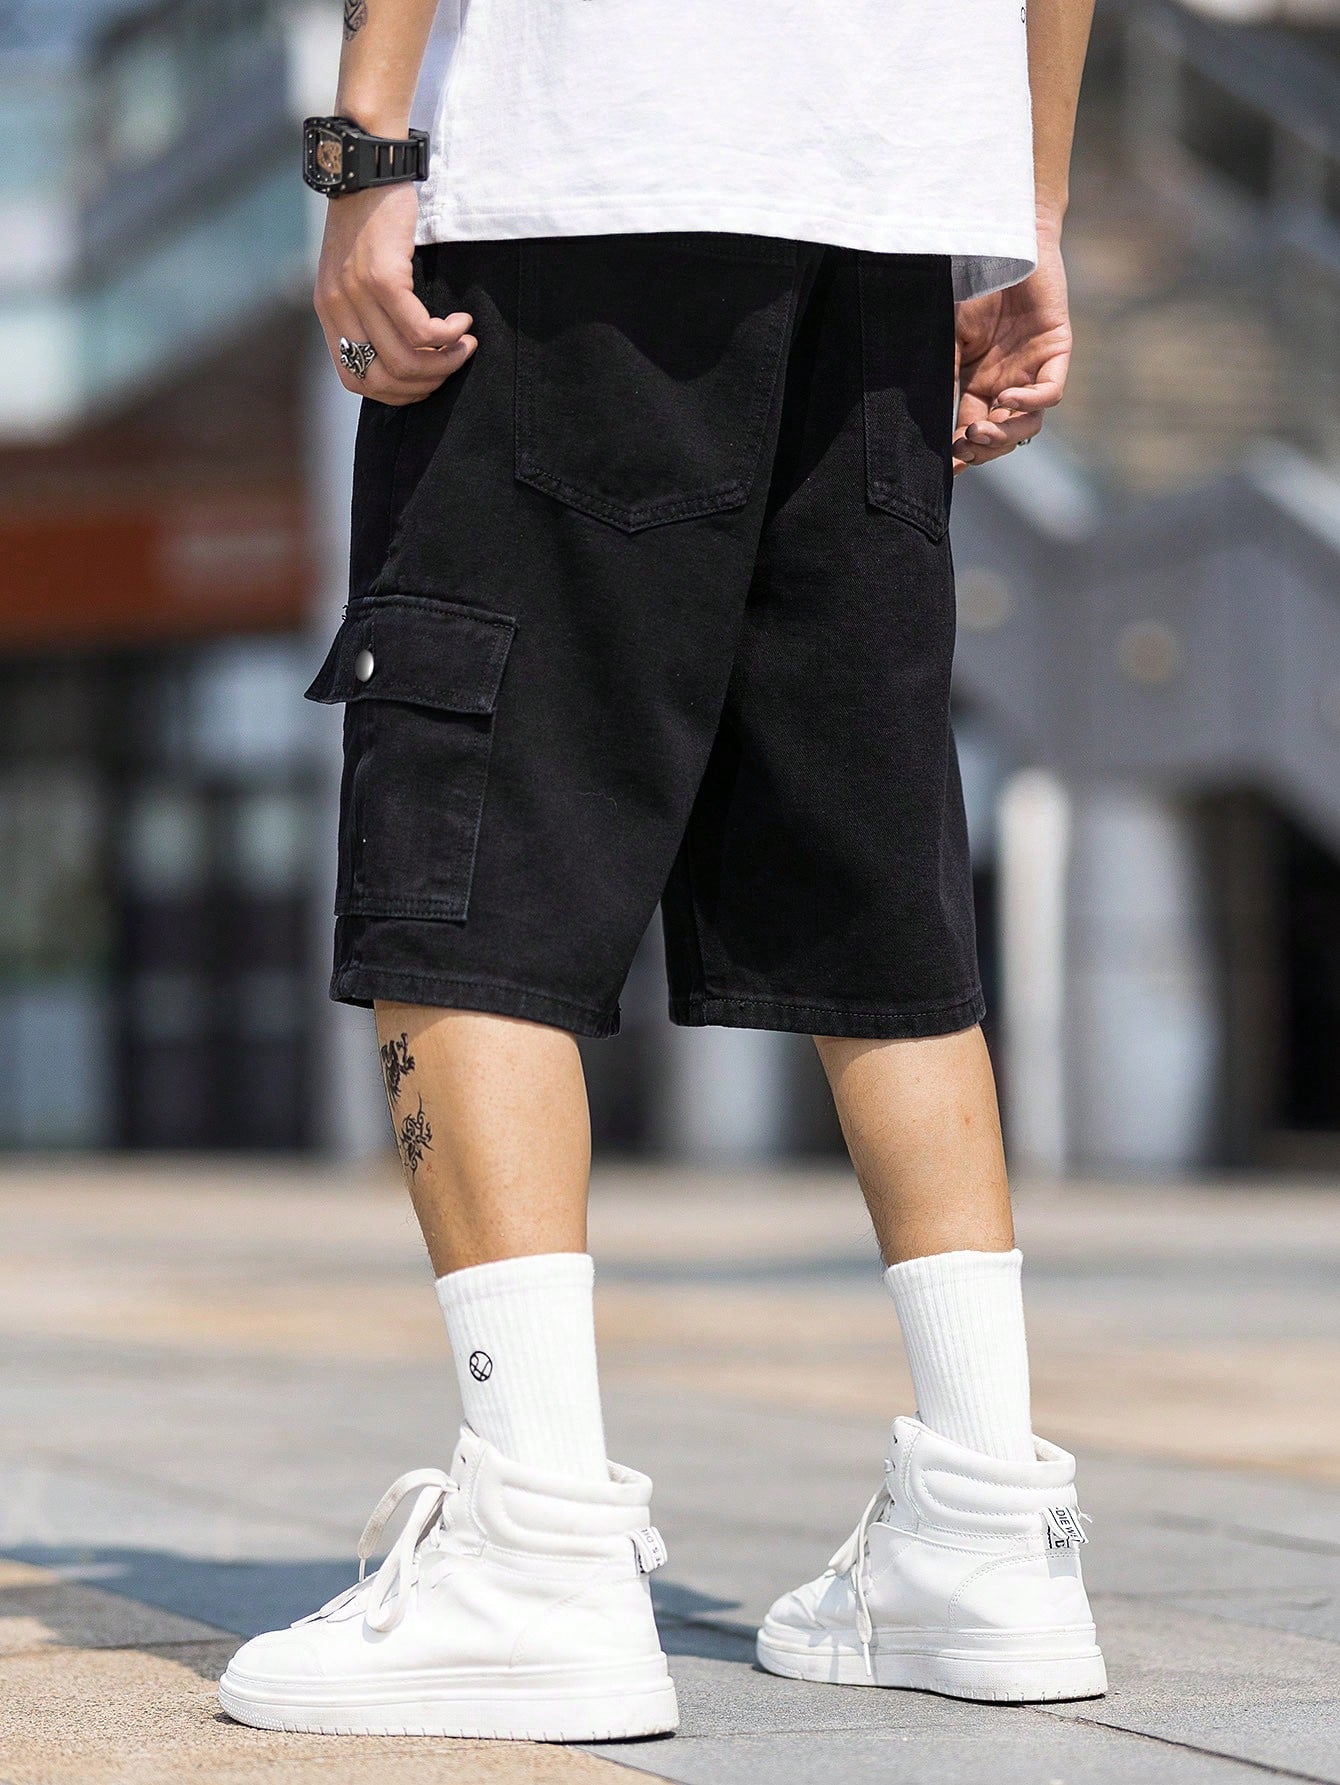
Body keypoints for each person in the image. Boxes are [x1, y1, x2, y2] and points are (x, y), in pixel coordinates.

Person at [219, 0, 1102, 1740]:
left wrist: (368, 154)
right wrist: (1028, 210)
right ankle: (989, 1527)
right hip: (887, 221)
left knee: (469, 844)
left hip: (586, 183)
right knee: (879, 861)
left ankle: (537, 1550)